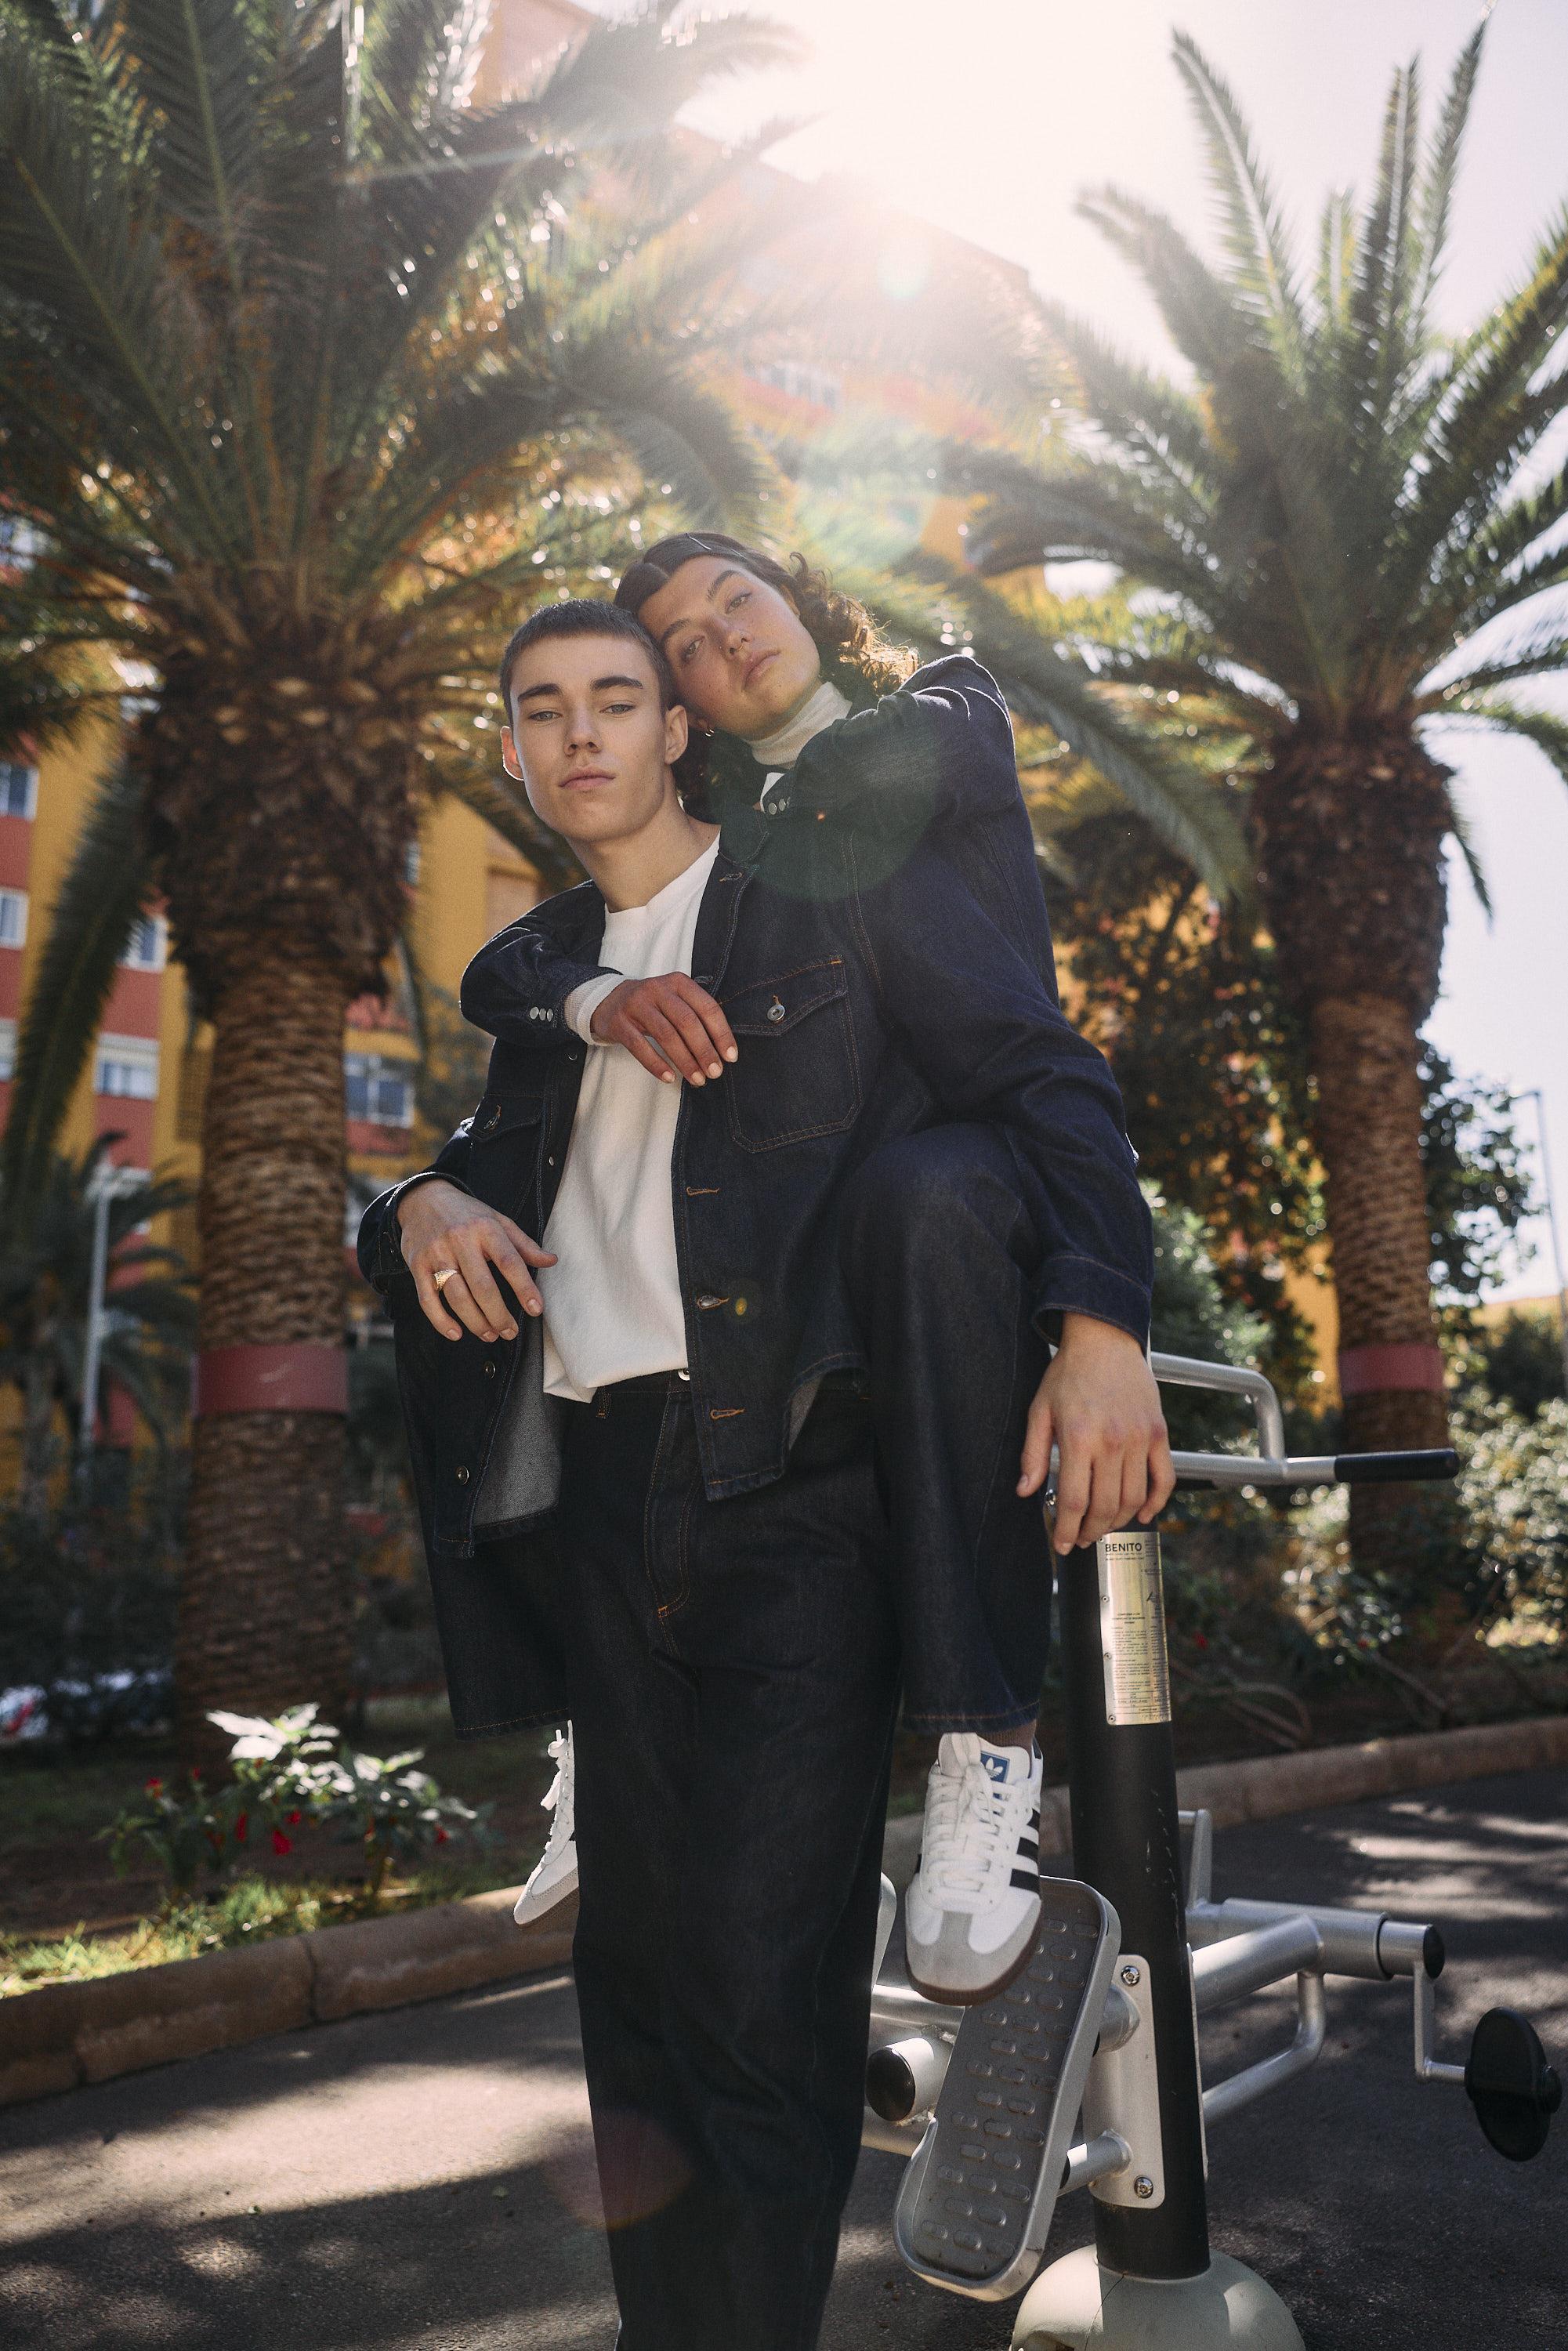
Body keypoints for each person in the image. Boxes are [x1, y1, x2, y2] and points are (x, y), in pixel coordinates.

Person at [360, 594, 1166, 2351]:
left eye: (615, 700)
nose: (578, 733)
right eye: (541, 708)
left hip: (788, 1491)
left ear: (676, 733)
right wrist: (409, 1204)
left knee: (755, 2004)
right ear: (511, 750)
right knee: (632, 2016)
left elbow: (1038, 1078)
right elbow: (470, 1178)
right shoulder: (539, 981)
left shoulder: (823, 889)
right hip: (588, 1493)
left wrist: (1098, 1313)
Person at [459, 536, 1174, 2001]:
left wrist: (1102, 1320)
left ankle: (986, 1742)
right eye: (688, 647)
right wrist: (591, 999)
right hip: (831, 1191)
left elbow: (939, 758)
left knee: (924, 1203)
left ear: (798, 601)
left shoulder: (924, 726)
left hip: (977, 1150)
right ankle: (604, 1719)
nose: (723, 643)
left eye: (740, 603)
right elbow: (506, 967)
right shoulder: (715, 860)